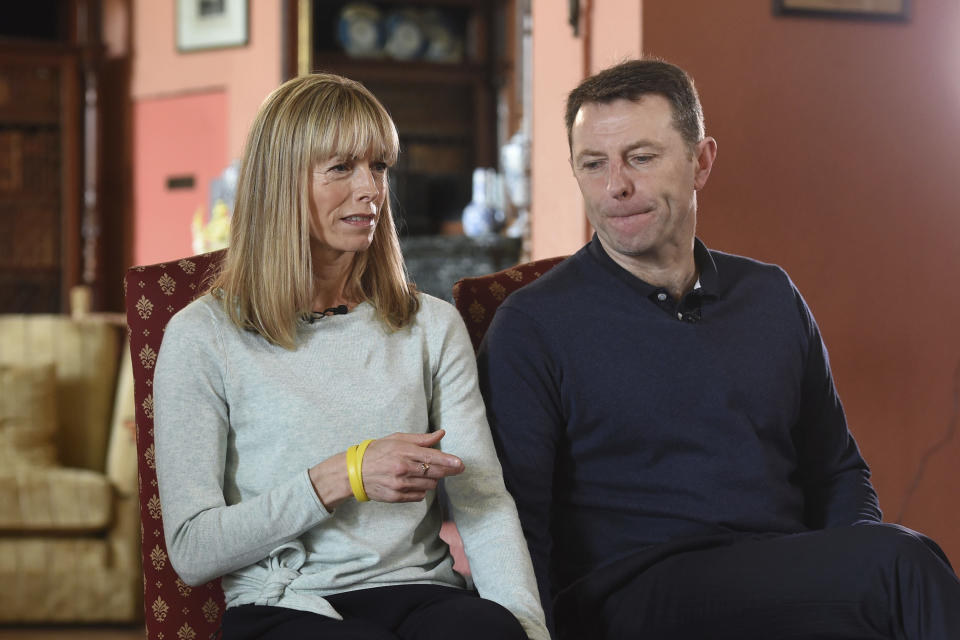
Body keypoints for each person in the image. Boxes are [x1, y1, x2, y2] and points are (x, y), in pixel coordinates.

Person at [478, 58, 960, 640]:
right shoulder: (533, 323)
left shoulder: (771, 295)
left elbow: (836, 469)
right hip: (633, 593)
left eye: (641, 157)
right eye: (593, 164)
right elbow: (512, 521)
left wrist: (844, 562)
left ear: (700, 161)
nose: (616, 187)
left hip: (779, 573)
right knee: (902, 566)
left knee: (888, 563)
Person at [153, 73, 549, 640]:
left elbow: (482, 501)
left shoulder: (430, 325)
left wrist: (527, 627)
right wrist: (343, 475)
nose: (371, 189)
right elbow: (193, 548)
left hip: (422, 595)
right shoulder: (203, 336)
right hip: (285, 605)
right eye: (341, 168)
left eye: (379, 167)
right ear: (281, 182)